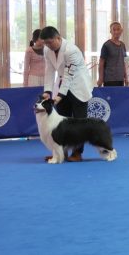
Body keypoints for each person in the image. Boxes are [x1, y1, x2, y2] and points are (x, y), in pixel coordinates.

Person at [41, 25, 94, 161]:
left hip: (78, 86)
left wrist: (59, 96)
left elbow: (69, 76)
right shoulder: (47, 50)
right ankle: (60, 153)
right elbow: (49, 70)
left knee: (79, 123)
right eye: (46, 43)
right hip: (61, 85)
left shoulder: (71, 50)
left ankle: (77, 153)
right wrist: (47, 91)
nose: (48, 45)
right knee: (61, 123)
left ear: (58, 38)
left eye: (50, 42)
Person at [98, 21, 129, 87]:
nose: (116, 32)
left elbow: (124, 62)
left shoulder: (123, 45)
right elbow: (101, 63)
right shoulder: (106, 45)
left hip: (120, 79)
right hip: (109, 79)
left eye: (118, 29)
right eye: (114, 30)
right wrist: (100, 78)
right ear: (110, 31)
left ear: (121, 31)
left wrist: (126, 77)